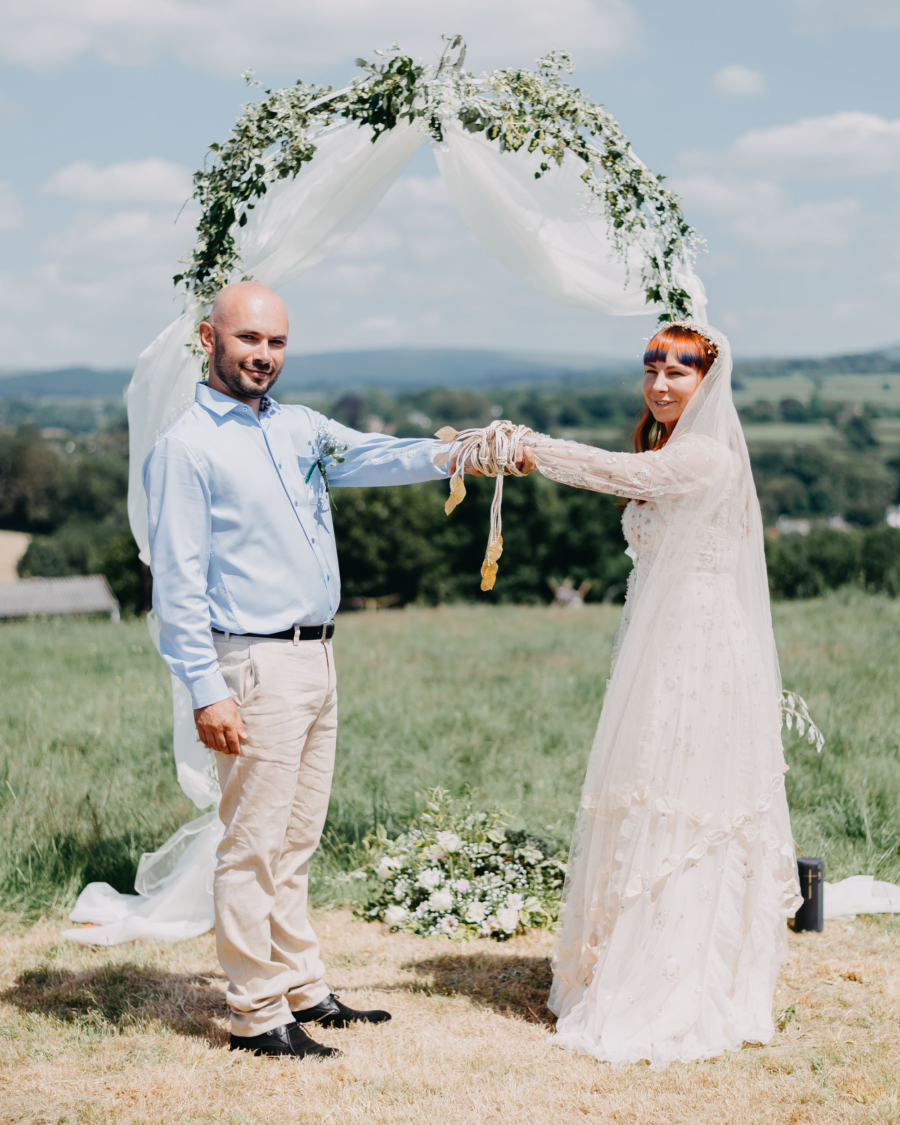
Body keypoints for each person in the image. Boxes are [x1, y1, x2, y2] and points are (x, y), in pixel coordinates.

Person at [142, 281, 517, 1059]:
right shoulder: (187, 446)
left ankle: (303, 985)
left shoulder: (301, 428)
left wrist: (464, 450)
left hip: (318, 656)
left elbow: (381, 456)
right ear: (208, 339)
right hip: (250, 664)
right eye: (248, 340)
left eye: (276, 342)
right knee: (250, 844)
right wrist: (206, 691)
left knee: (297, 838)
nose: (263, 356)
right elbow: (175, 587)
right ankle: (253, 1010)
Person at [520, 323, 801, 1067]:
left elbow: (620, 477)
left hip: (700, 647)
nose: (660, 384)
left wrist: (532, 448)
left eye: (679, 371)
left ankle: (682, 981)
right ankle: (634, 954)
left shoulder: (704, 455)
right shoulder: (674, 448)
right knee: (652, 783)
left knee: (685, 794)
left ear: (709, 382)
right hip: (666, 642)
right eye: (651, 369)